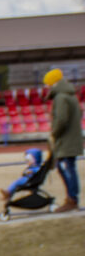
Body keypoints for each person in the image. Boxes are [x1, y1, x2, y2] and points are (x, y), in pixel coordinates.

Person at [46, 68, 80, 212]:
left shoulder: (60, 97)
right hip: (71, 139)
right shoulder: (70, 95)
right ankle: (72, 198)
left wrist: (54, 133)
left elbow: (61, 119)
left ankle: (72, 200)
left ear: (52, 83)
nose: (47, 87)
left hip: (65, 141)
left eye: (48, 84)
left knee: (66, 168)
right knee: (67, 168)